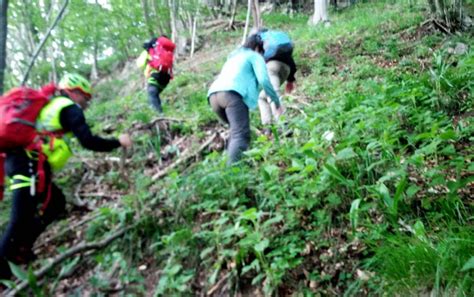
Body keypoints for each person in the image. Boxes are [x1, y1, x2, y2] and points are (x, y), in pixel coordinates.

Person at [0, 73, 132, 279]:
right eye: (85, 97)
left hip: (23, 162)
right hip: (27, 164)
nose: (87, 102)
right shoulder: (68, 108)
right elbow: (88, 141)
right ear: (74, 91)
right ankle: (3, 271)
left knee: (56, 204)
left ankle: (20, 249)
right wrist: (118, 141)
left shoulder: (51, 105)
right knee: (19, 218)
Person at [207, 34, 284, 165]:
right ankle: (233, 172)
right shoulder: (254, 56)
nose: (262, 55)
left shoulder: (233, 57)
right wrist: (276, 102)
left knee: (236, 132)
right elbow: (264, 80)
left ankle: (237, 164)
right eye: (262, 52)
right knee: (240, 135)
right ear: (257, 48)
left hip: (213, 95)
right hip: (231, 94)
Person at [253, 28, 297, 127]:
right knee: (262, 97)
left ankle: (284, 123)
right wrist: (290, 80)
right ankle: (268, 126)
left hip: (271, 67)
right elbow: (291, 61)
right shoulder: (279, 42)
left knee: (273, 93)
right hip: (286, 70)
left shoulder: (260, 40)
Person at [136, 36, 176, 114]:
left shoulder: (149, 51)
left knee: (152, 93)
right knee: (155, 94)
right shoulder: (164, 50)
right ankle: (159, 112)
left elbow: (140, 64)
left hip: (155, 75)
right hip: (166, 77)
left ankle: (159, 115)